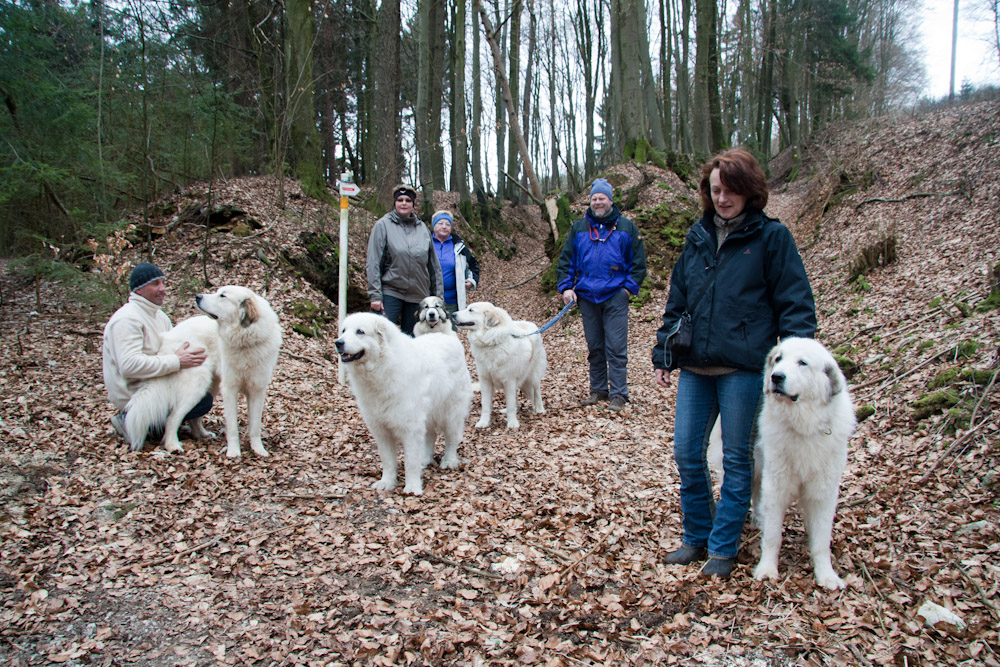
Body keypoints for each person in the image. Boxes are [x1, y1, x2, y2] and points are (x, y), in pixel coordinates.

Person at [652, 148, 817, 579]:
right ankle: (697, 537)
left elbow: (796, 304)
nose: (723, 198)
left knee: (736, 460)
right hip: (696, 367)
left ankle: (723, 548)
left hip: (744, 368)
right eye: (715, 189)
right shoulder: (697, 236)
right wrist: (664, 352)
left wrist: (799, 362)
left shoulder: (771, 237)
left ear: (749, 191)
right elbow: (678, 299)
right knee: (687, 452)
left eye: (731, 190)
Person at [557, 178, 647, 412]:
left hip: (615, 295)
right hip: (587, 296)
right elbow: (566, 260)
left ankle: (619, 394)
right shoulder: (579, 228)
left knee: (616, 347)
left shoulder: (626, 227)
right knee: (595, 346)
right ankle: (598, 390)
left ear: (610, 200)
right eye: (594, 198)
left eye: (602, 198)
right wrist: (567, 287)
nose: (598, 202)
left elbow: (639, 263)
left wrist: (627, 290)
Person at [102, 262, 212, 440]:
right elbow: (129, 366)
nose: (162, 289)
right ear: (138, 290)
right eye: (155, 284)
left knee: (202, 398)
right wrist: (177, 361)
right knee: (199, 401)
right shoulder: (126, 320)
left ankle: (160, 423)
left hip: (158, 385)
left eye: (163, 283)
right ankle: (130, 420)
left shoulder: (160, 317)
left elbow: (171, 350)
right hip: (135, 395)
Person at [367, 185, 443, 336]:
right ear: (394, 202)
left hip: (418, 294)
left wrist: (438, 298)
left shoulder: (422, 228)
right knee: (381, 336)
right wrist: (375, 295)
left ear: (413, 204)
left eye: (408, 200)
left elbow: (434, 266)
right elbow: (373, 262)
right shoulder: (383, 225)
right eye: (400, 200)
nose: (403, 203)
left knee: (412, 341)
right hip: (392, 291)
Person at [431, 210, 480, 316]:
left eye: (448, 224)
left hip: (451, 301)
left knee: (450, 332)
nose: (444, 227)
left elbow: (473, 265)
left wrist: (472, 280)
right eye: (440, 223)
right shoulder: (425, 243)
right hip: (429, 300)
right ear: (434, 225)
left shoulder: (459, 246)